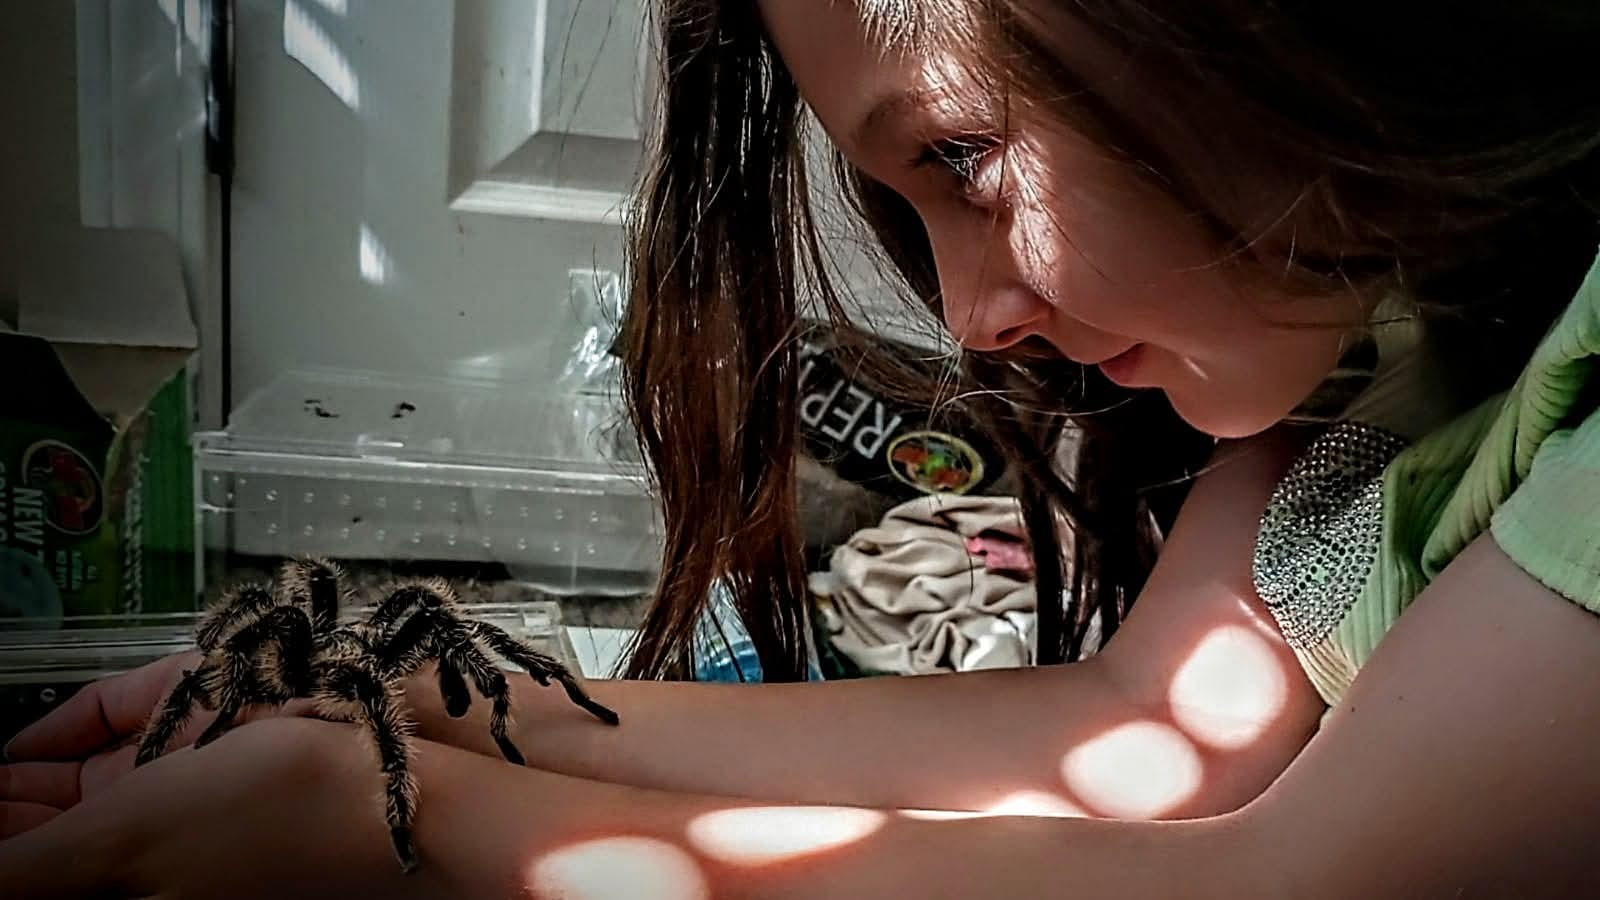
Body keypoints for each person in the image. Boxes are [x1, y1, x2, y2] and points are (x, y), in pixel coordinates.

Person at [5, 0, 1600, 895]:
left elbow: (1300, 877)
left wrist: (384, 824)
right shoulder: (1378, 341)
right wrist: (431, 702)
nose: (970, 319)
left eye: (963, 153)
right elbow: (1137, 728)